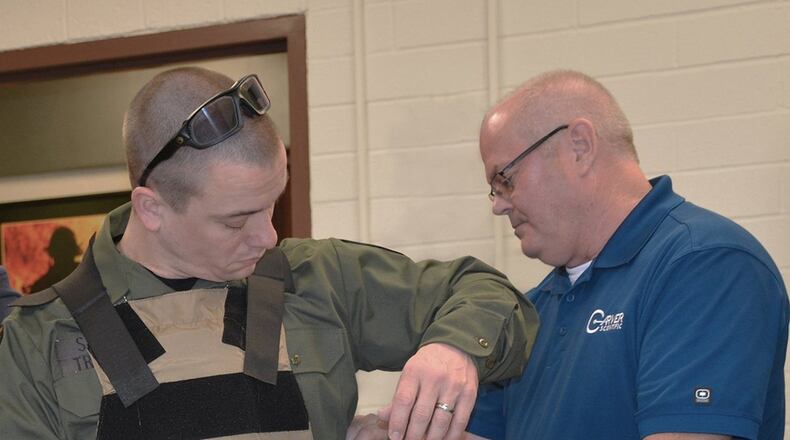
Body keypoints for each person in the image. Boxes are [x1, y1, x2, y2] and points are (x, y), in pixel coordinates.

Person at [0, 67, 538, 440]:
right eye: (237, 220)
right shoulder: (37, 341)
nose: (268, 238)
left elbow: (488, 294)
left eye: (272, 205)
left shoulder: (316, 278)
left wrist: (453, 349)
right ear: (151, 208)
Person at [466, 70, 788, 440]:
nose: (499, 207)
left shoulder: (707, 265)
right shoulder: (532, 310)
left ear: (580, 147)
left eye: (505, 179)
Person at [28, 226, 81, 293]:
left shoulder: (41, 286)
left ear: (52, 253)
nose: (63, 257)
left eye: (65, 251)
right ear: (74, 252)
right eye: (61, 251)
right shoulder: (87, 280)